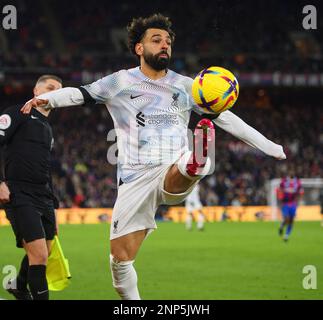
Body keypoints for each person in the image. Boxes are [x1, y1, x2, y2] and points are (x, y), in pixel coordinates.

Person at [20, 14, 286, 300]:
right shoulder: (120, 81)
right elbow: (80, 94)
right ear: (139, 48)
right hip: (134, 178)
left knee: (185, 168)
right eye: (156, 40)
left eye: (168, 42)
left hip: (171, 164)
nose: (164, 46)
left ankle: (197, 161)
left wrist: (268, 145)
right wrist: (50, 99)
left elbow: (228, 119)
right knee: (120, 263)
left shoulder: (187, 86)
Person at [0, 75, 62, 300]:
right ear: (36, 90)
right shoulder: (18, 113)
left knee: (45, 249)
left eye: (57, 91)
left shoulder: (47, 128)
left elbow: (45, 169)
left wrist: (53, 206)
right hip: (20, 193)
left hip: (43, 196)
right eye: (49, 88)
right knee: (39, 257)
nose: (53, 93)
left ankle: (18, 285)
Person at [277, 168, 304, 242]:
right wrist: (280, 199)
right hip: (285, 203)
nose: (291, 173)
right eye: (290, 172)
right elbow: (279, 190)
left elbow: (301, 191)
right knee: (287, 219)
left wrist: (299, 200)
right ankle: (282, 226)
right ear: (288, 174)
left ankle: (286, 236)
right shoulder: (284, 181)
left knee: (291, 220)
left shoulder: (298, 182)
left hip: (293, 204)